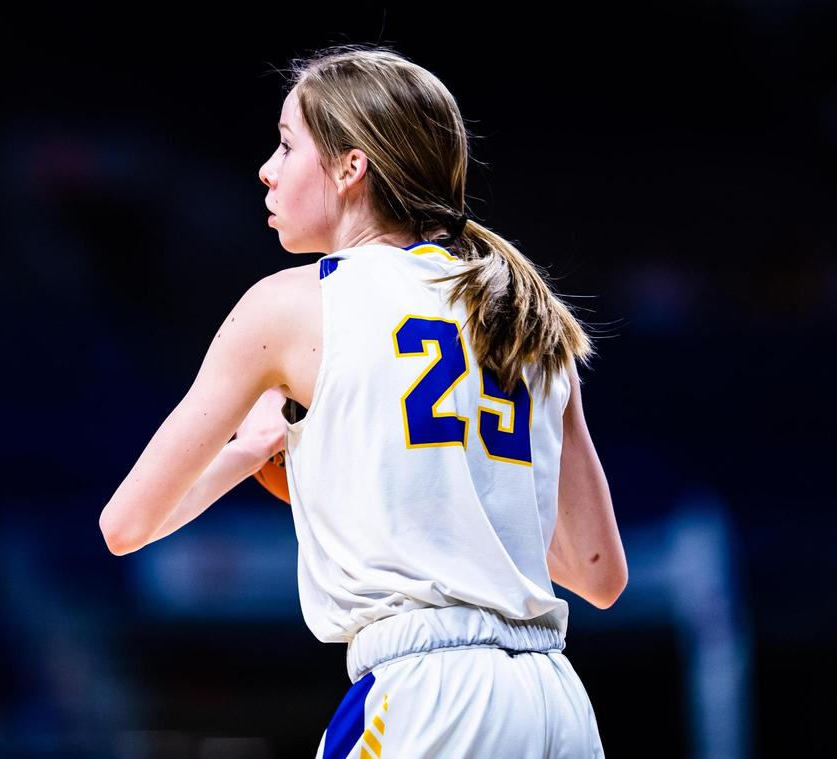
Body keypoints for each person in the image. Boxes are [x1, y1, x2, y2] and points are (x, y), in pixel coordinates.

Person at [99, 43, 627, 758]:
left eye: (287, 145)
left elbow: (127, 524)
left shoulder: (291, 304)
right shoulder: (524, 311)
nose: (268, 168)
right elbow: (599, 574)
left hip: (425, 699)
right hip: (555, 701)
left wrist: (250, 450)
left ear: (352, 168)